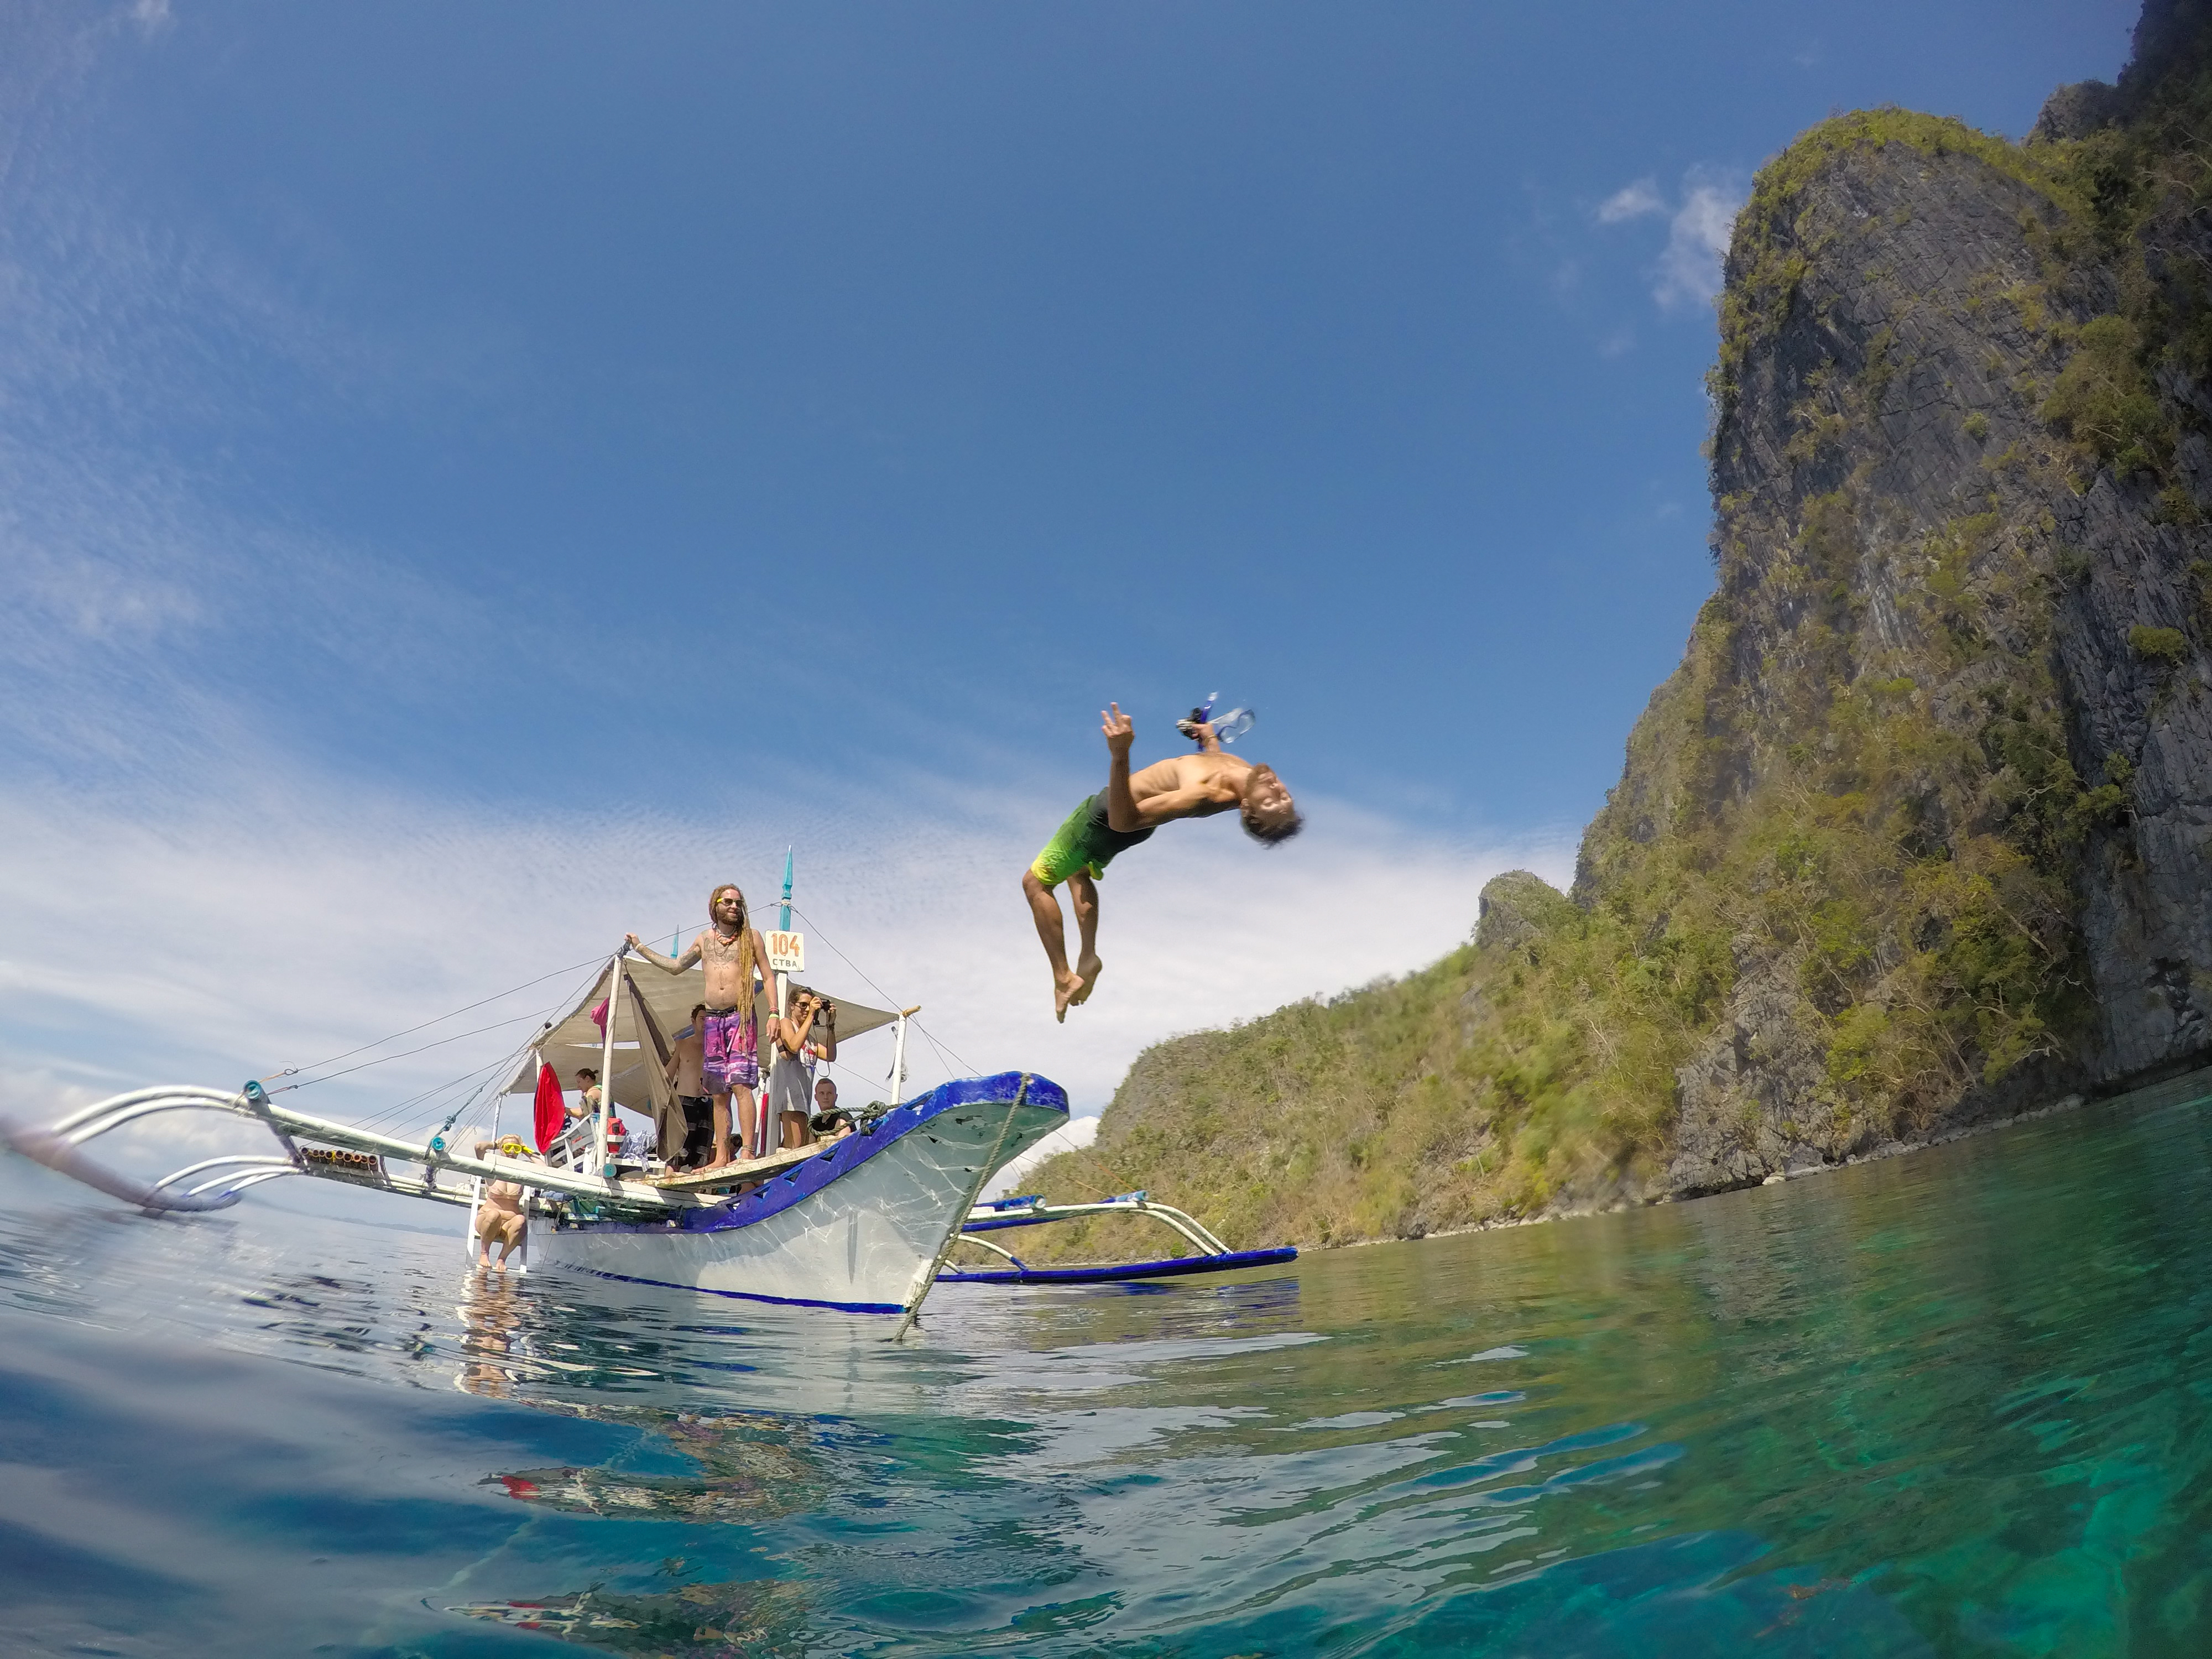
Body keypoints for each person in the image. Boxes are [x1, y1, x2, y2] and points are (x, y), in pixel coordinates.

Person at [1022, 703, 1301, 1018]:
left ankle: (1062, 978)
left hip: (1105, 820)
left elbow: (1123, 821)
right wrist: (1206, 736)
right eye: (1285, 798)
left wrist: (1120, 754)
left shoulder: (1204, 794)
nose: (1277, 790)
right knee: (1079, 872)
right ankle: (1088, 957)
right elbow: (1212, 758)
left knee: (1035, 884)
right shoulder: (1245, 773)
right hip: (1126, 824)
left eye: (1270, 802)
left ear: (1248, 808)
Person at [628, 884, 775, 1169]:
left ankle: (747, 1151)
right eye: (728, 901)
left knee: (742, 1085)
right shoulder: (704, 940)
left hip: (740, 1017)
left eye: (738, 902)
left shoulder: (750, 938)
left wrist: (773, 1012)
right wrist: (640, 947)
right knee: (719, 1092)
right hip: (714, 1021)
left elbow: (767, 977)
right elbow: (675, 967)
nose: (734, 906)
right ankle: (721, 1156)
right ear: (715, 905)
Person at [765, 988, 837, 1150]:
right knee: (796, 1149)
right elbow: (793, 1045)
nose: (806, 1009)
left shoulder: (810, 1039)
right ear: (791, 1006)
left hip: (803, 1101)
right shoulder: (785, 1023)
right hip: (790, 1099)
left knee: (800, 1148)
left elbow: (831, 1055)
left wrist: (831, 1025)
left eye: (810, 1005)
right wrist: (812, 1015)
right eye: (803, 1005)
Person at [471, 1135, 535, 1272]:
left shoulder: (523, 1170)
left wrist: (525, 1150)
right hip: (487, 1220)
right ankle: (484, 1253)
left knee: (521, 1220)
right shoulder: (491, 1165)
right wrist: (495, 1144)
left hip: (510, 1225)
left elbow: (544, 1167)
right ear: (501, 1149)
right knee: (494, 1214)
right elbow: (479, 1147)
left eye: (516, 1148)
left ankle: (502, 1258)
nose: (511, 1151)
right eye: (508, 1147)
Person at [662, 1003, 713, 1170]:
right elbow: (667, 1076)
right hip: (685, 1102)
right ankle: (668, 1183)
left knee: (701, 1157)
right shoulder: (682, 1045)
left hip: (707, 1103)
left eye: (709, 1019)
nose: (705, 1022)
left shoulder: (716, 1047)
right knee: (677, 1155)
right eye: (702, 1019)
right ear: (694, 1021)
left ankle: (695, 1191)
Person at [809, 1076, 855, 1141]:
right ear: (816, 1097)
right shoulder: (814, 1123)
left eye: (829, 1093)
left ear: (836, 1097)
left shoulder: (843, 1117)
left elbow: (842, 1143)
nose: (825, 1097)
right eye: (822, 1093)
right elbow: (809, 1147)